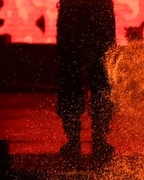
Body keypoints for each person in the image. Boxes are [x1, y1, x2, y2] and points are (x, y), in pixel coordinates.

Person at [56, 0, 116, 161]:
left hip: (79, 10)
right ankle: (96, 139)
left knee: (74, 77)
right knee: (99, 77)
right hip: (93, 10)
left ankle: (80, 140)